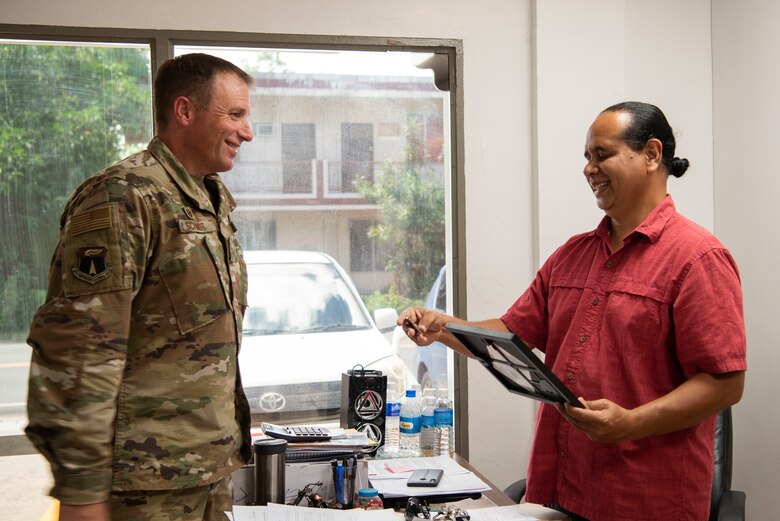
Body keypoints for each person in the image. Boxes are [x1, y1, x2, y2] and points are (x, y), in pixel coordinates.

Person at [399, 101, 747, 521]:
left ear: (652, 154)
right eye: (586, 158)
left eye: (602, 155)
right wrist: (443, 328)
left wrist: (631, 423)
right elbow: (511, 334)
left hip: (646, 499)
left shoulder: (698, 258)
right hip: (564, 488)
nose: (589, 169)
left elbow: (724, 384)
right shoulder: (572, 255)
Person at [25, 53, 255, 521]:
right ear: (185, 111)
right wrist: (82, 491)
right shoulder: (122, 197)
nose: (247, 132)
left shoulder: (206, 201)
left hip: (205, 473)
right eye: (235, 114)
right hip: (142, 488)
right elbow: (80, 352)